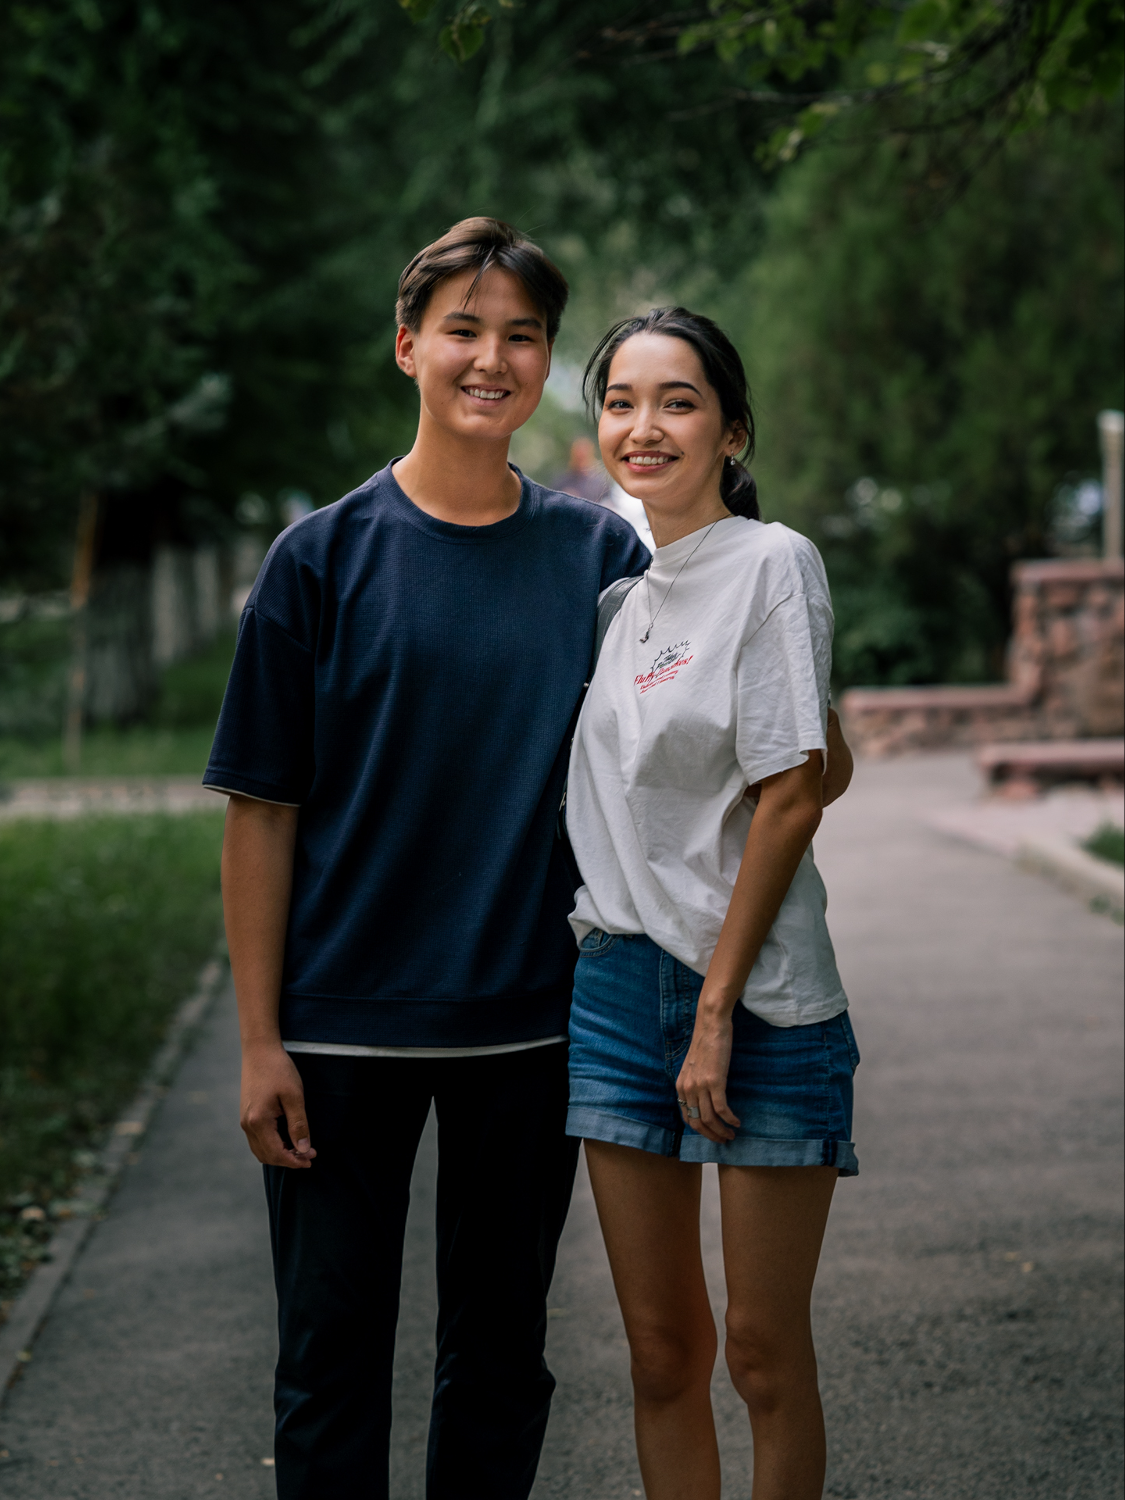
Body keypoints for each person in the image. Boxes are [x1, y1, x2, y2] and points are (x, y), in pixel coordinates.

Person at [203, 218, 651, 1500]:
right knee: (330, 1363)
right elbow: (262, 809)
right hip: (340, 1032)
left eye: (521, 335)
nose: (490, 357)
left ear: (547, 360)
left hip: (531, 1027)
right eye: (464, 328)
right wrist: (257, 1039)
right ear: (409, 346)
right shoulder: (320, 562)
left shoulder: (600, 560)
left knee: (503, 1360)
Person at [564, 307, 858, 1500]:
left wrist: (719, 1009)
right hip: (619, 989)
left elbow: (795, 796)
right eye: (623, 401)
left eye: (677, 401)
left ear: (732, 430)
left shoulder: (772, 561)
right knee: (659, 1352)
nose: (645, 427)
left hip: (762, 1002)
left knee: (763, 1354)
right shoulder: (619, 606)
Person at [551, 434, 610, 503]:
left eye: (583, 456)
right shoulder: (562, 482)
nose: (581, 460)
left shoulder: (600, 483)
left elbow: (608, 505)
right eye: (578, 457)